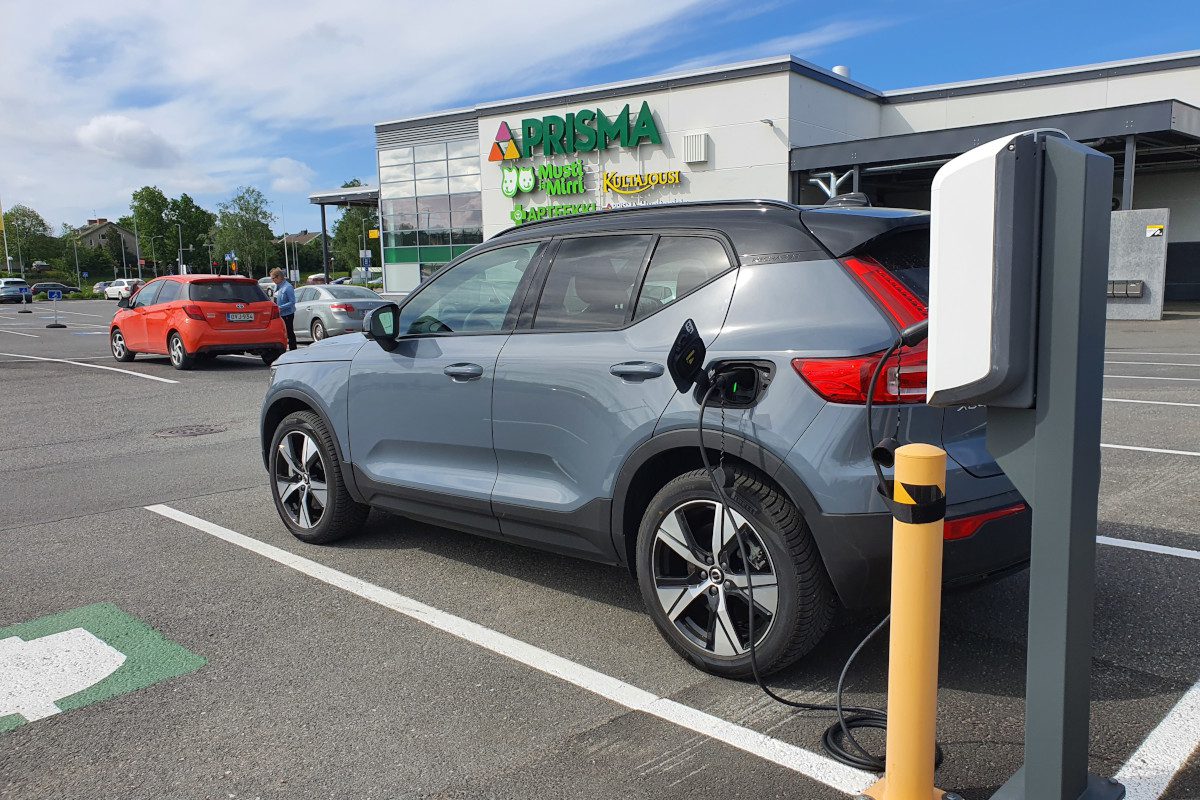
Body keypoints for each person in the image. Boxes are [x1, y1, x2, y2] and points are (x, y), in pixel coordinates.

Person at [271, 268, 297, 351]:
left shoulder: (288, 287)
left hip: (287, 314)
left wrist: (280, 308)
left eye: (273, 278)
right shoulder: (277, 287)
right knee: (279, 333)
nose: (272, 280)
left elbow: (292, 302)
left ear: (278, 277)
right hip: (279, 314)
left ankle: (293, 350)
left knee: (289, 332)